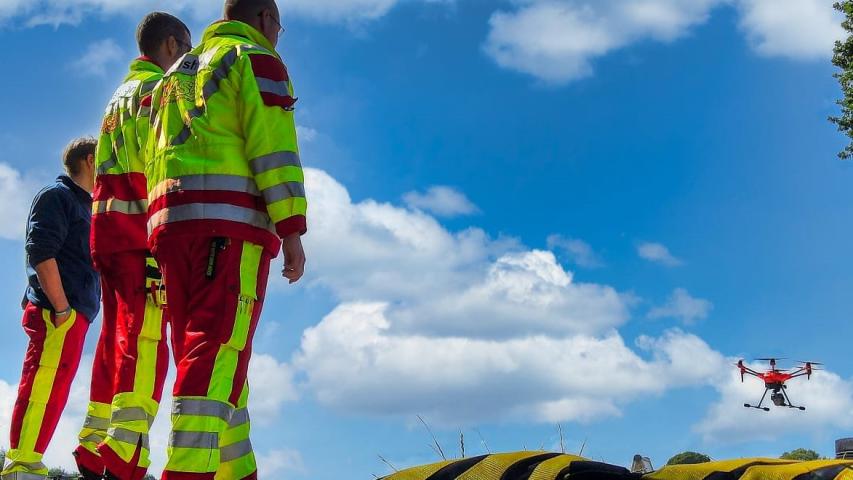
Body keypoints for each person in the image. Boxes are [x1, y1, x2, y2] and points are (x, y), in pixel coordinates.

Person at [145, 0, 307, 477]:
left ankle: (235, 472)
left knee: (206, 357)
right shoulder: (253, 58)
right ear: (264, 19)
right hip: (228, 225)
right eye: (278, 27)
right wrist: (291, 226)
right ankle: (188, 471)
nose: (277, 36)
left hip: (169, 226)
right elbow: (273, 147)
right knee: (217, 352)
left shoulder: (173, 75)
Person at [73, 12, 192, 480]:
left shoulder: (117, 97)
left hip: (106, 235)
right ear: (170, 45)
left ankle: (93, 444)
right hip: (139, 234)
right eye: (186, 48)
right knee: (145, 342)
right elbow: (160, 164)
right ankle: (126, 455)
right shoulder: (157, 92)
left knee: (115, 341)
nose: (188, 59)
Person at [2, 138, 101, 480]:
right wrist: (60, 309)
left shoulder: (86, 206)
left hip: (71, 316)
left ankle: (29, 463)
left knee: (54, 392)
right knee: (41, 388)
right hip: (58, 313)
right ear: (90, 160)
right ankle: (22, 466)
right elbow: (41, 251)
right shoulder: (57, 196)